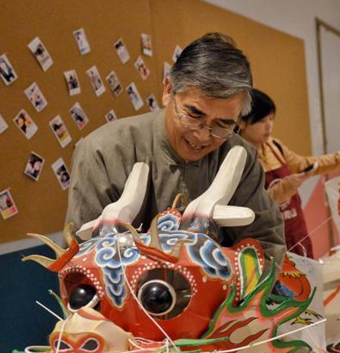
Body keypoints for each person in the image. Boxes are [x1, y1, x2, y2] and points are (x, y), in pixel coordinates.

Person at [66, 33, 285, 265]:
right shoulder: (102, 151)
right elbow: (78, 260)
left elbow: (266, 245)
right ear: (168, 90)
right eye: (194, 114)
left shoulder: (240, 156)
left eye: (223, 125)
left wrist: (227, 274)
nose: (203, 136)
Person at [238, 89, 340, 257]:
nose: (269, 126)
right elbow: (250, 207)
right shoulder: (238, 157)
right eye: (262, 121)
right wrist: (285, 187)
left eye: (271, 119)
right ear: (242, 122)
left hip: (295, 232)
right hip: (266, 243)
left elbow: (305, 165)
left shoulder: (274, 146)